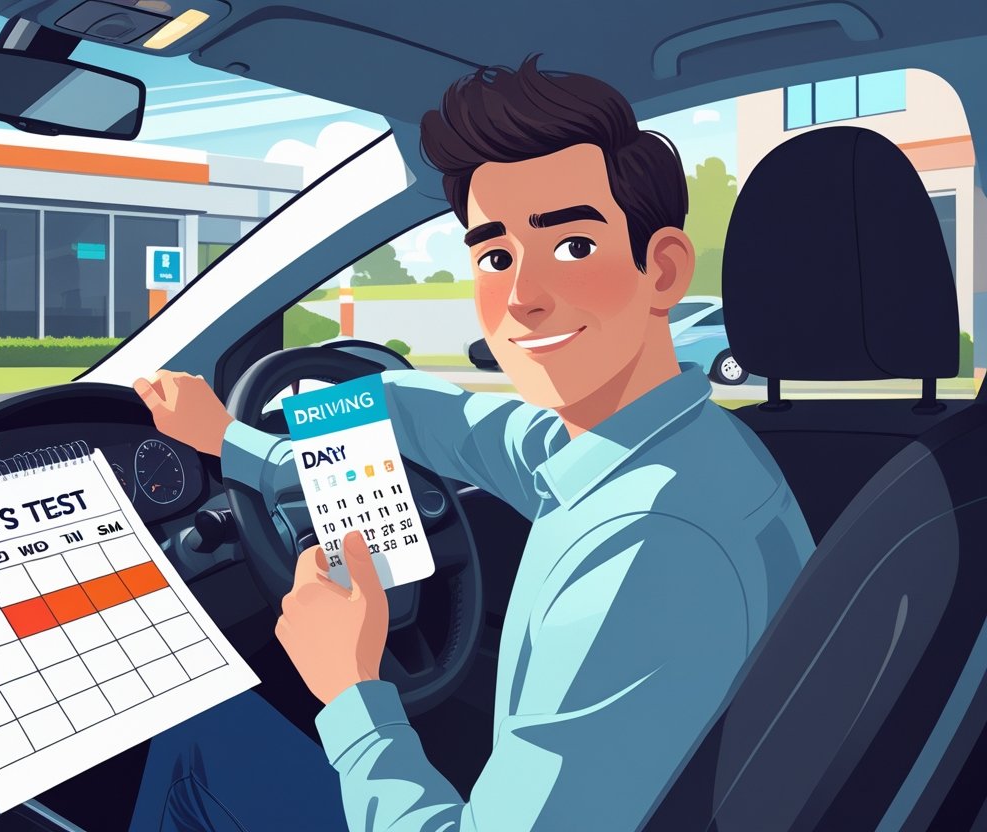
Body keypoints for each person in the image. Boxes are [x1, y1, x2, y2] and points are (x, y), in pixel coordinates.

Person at [129, 55, 815, 832]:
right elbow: (460, 427)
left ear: (661, 270)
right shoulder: (676, 443)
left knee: (201, 738)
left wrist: (349, 688)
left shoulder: (645, 548)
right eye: (495, 255)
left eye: (574, 247)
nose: (522, 296)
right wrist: (239, 438)